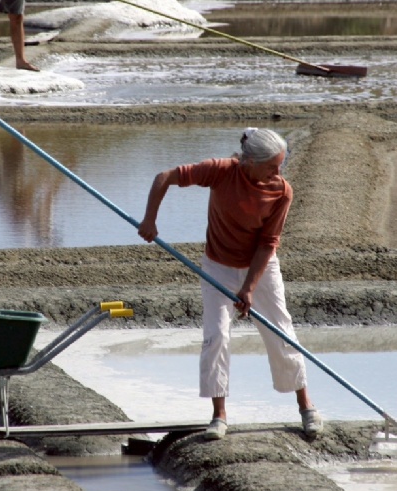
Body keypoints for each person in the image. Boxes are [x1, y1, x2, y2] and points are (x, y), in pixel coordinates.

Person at [138, 128, 322, 441]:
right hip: (218, 266)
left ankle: (306, 407)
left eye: (280, 165)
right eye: (272, 166)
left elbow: (268, 243)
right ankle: (219, 416)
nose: (278, 172)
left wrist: (249, 288)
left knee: (281, 331)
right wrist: (150, 219)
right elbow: (164, 176)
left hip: (260, 268)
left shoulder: (282, 191)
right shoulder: (221, 171)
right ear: (249, 162)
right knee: (216, 337)